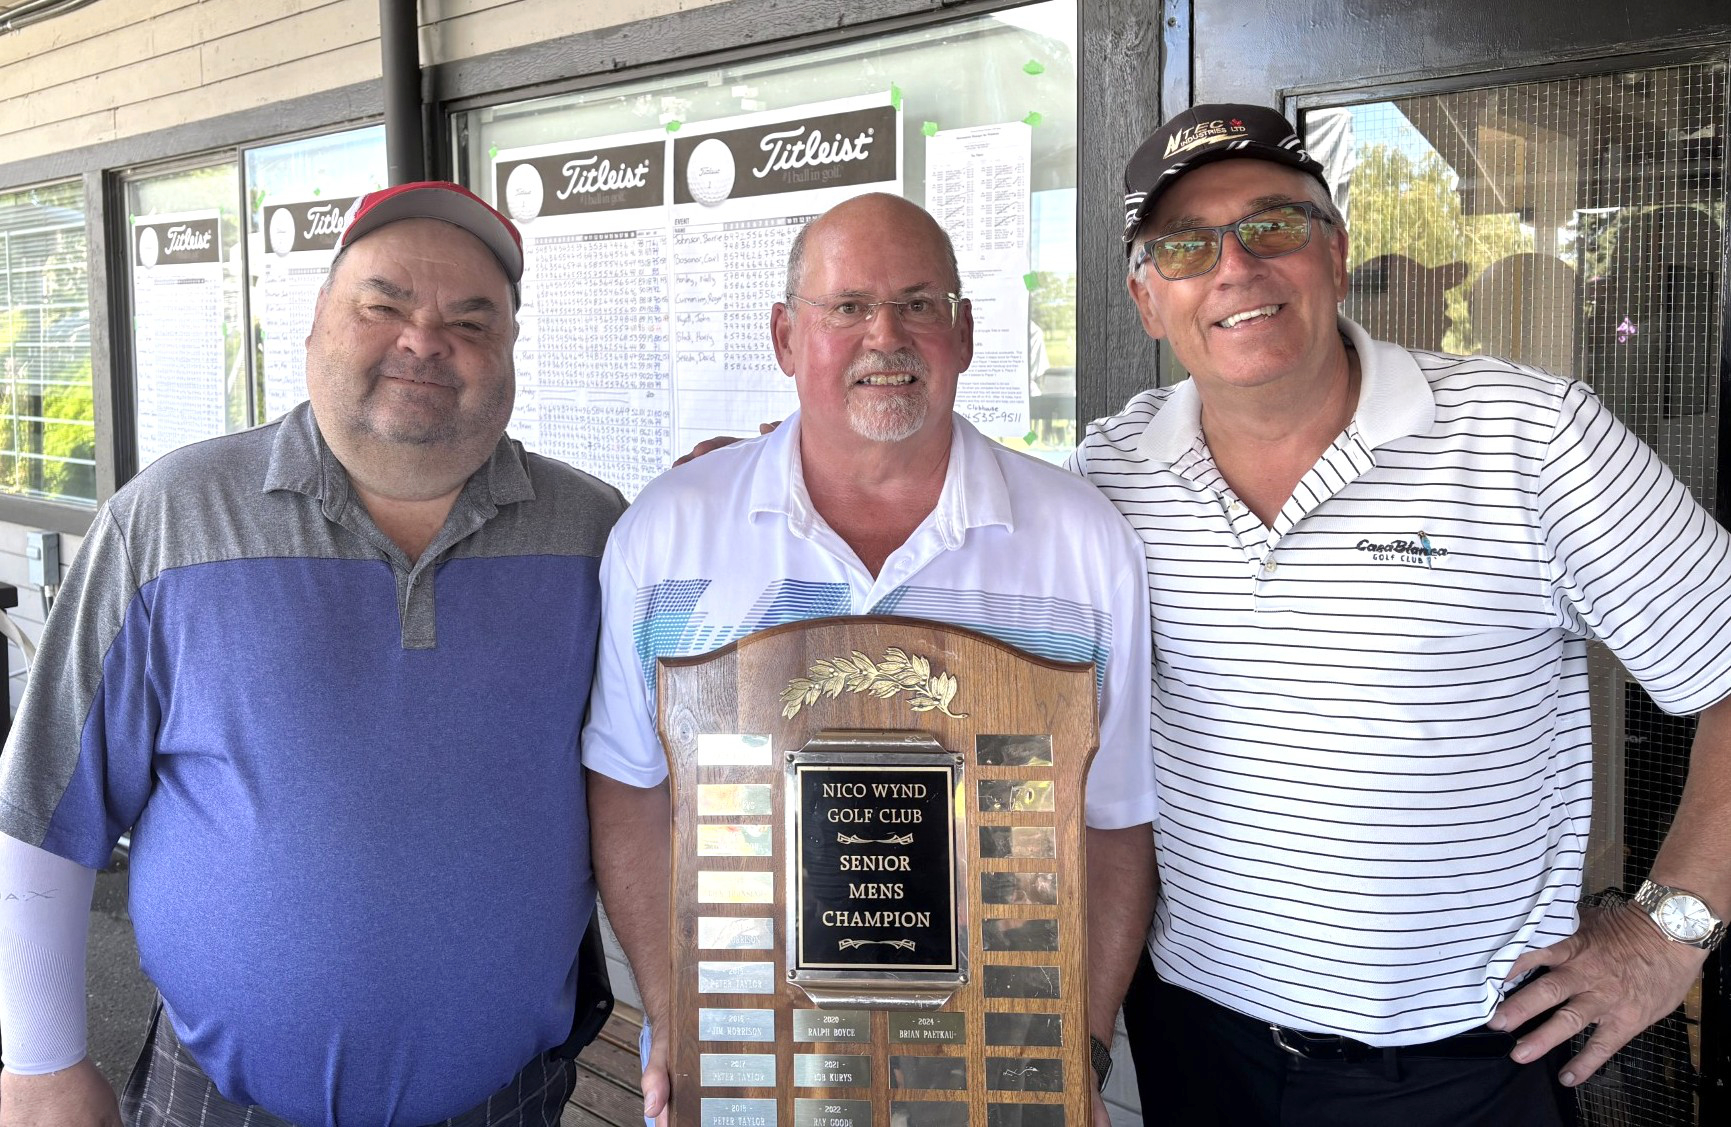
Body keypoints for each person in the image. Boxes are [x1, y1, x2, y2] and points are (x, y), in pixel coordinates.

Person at [1075, 103, 1731, 1125]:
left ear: (1334, 253)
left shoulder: (1529, 437)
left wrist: (1669, 934)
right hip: (1197, 1045)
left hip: (1464, 1064)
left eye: (1274, 226)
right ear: (1146, 299)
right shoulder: (1111, 474)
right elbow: (970, 549)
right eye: (1187, 247)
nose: (1236, 268)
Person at [0, 181, 626, 1127]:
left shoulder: (595, 534)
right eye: (382, 305)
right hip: (220, 1102)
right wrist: (41, 1061)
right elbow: (46, 801)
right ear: (314, 327)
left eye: (472, 319)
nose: (425, 338)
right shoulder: (171, 519)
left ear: (506, 354)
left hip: (509, 1102)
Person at [581, 192, 1158, 1127]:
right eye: (846, 306)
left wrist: (1076, 1051)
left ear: (963, 333)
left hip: (995, 1074)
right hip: (744, 1067)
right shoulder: (668, 534)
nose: (884, 335)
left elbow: (1114, 818)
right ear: (783, 337)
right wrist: (679, 1024)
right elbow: (631, 787)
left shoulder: (1083, 544)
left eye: (919, 304)